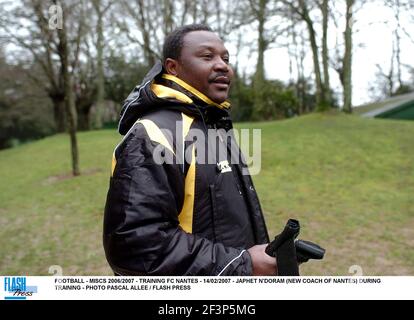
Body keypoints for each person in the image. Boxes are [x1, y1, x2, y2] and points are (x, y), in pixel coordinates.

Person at [103, 24, 276, 276]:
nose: (222, 65)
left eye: (225, 58)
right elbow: (137, 248)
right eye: (207, 57)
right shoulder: (153, 134)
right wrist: (242, 264)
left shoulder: (216, 126)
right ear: (173, 67)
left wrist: (267, 256)